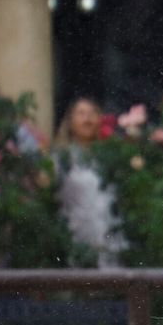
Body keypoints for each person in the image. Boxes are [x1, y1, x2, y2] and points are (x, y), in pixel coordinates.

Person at [52, 97, 126, 267]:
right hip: (77, 237)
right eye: (81, 114)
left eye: (92, 113)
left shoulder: (109, 155)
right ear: (70, 122)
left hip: (110, 235)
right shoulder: (62, 158)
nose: (88, 119)